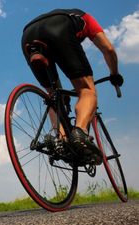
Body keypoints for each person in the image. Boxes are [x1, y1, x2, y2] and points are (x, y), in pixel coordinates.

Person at [21, 8, 124, 164]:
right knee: (86, 90)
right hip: (59, 27)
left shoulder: (58, 16)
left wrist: (63, 98)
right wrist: (114, 74)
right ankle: (80, 133)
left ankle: (59, 140)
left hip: (27, 36)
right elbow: (108, 49)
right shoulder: (86, 17)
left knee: (54, 97)